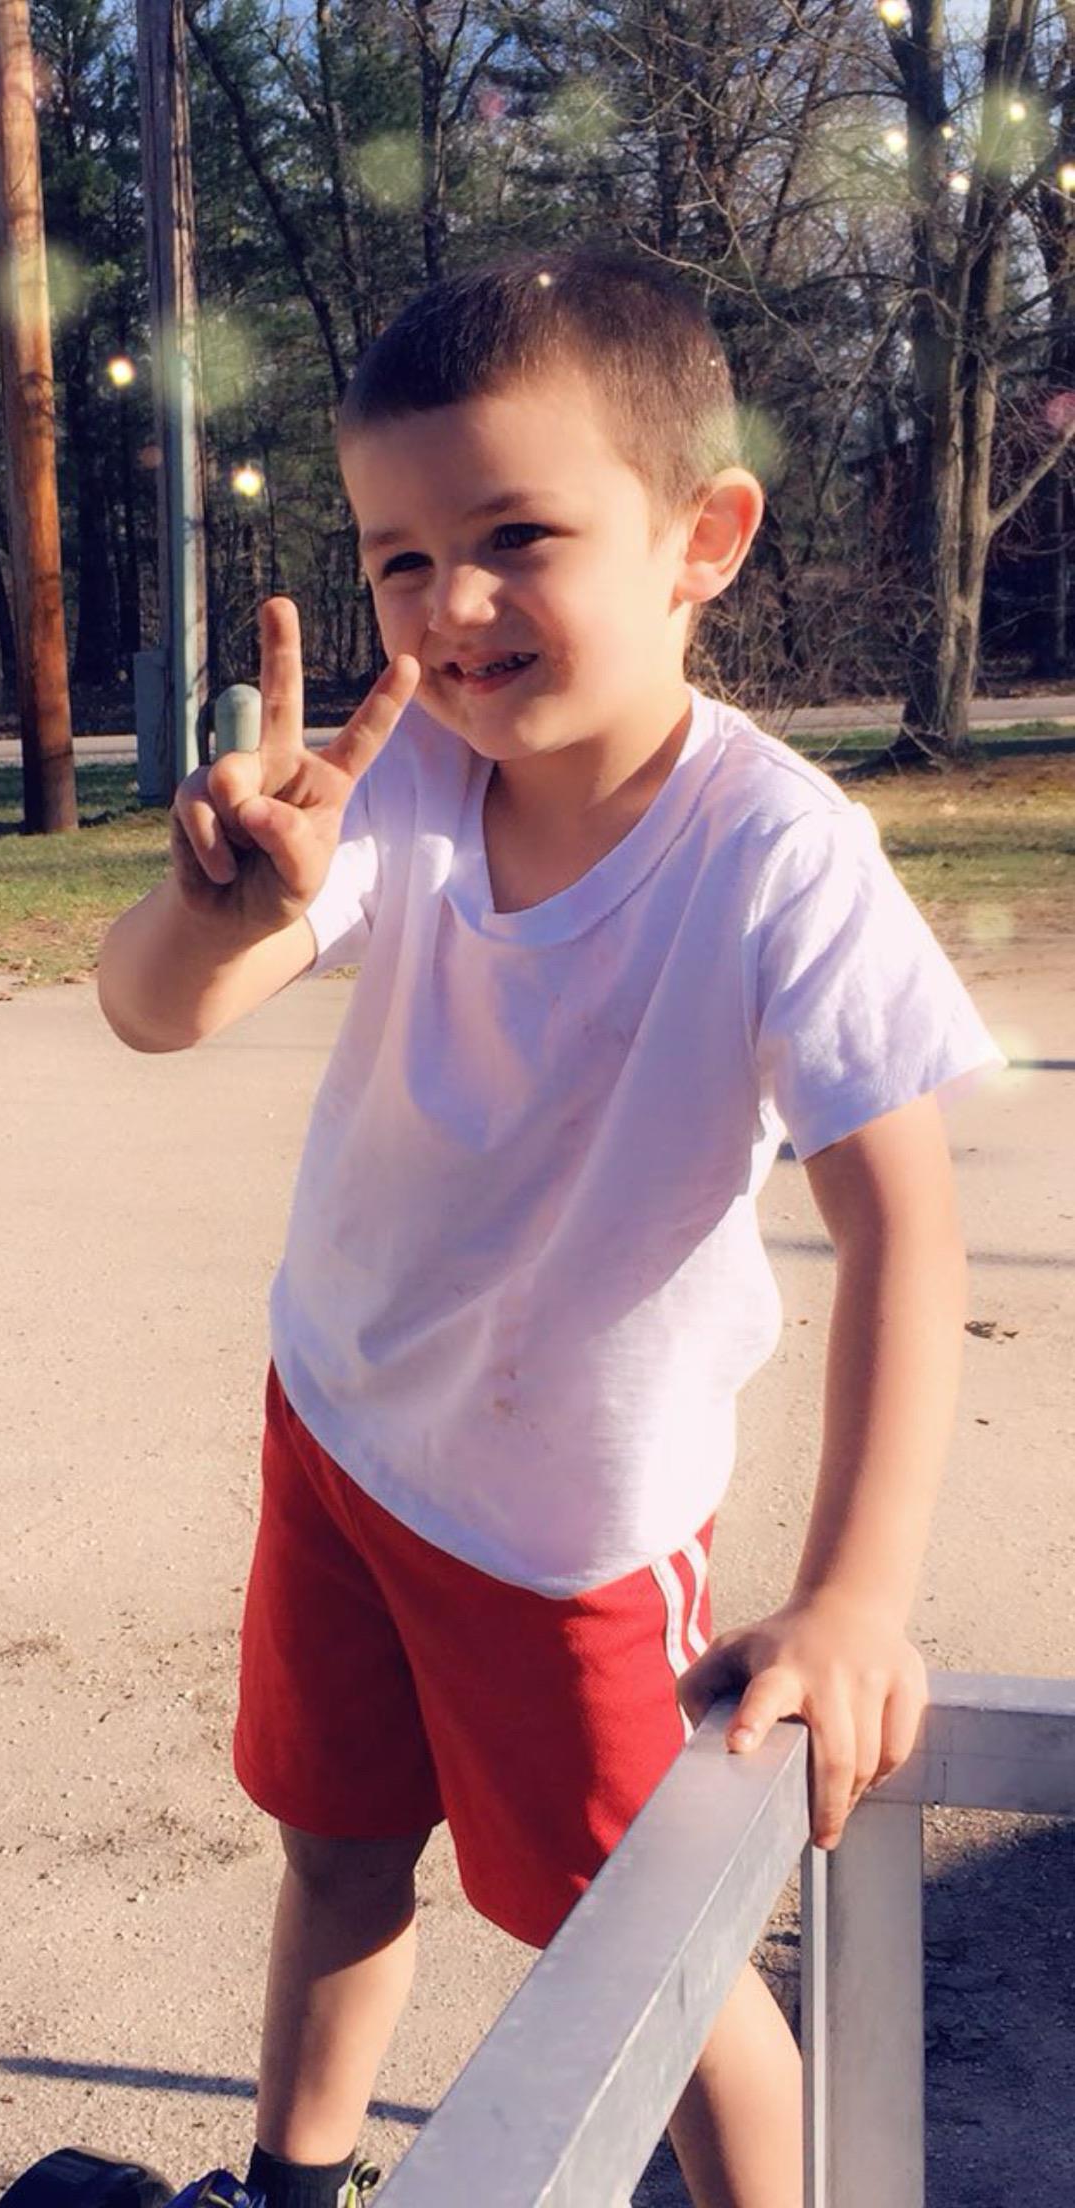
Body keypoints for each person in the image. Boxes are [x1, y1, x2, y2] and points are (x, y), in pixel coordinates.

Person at [98, 247, 999, 2208]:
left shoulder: (777, 856)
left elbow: (906, 1222)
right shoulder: (407, 775)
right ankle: (289, 2183)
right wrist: (229, 907)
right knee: (335, 1849)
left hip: (565, 1528)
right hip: (339, 1429)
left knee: (640, 1952)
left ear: (704, 535)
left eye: (517, 533)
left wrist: (856, 1591)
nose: (455, 605)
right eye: (401, 557)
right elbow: (152, 1014)